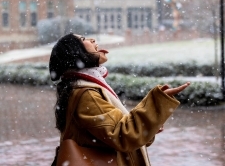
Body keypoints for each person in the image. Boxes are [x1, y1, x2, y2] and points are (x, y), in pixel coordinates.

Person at [49, 33, 190, 166]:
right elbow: (122, 135)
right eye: (83, 39)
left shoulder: (85, 88)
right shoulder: (87, 94)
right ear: (74, 52)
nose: (92, 40)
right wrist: (157, 103)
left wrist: (147, 126)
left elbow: (117, 135)